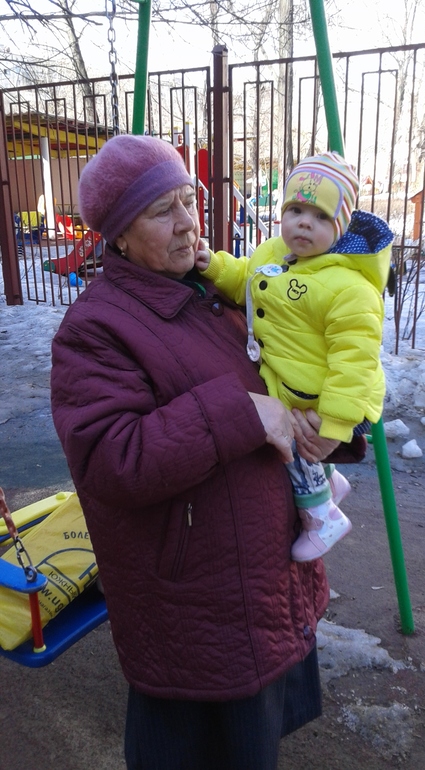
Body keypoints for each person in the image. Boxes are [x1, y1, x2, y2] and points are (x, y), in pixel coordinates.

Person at [50, 134, 332, 770]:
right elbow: (111, 460)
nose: (187, 223)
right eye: (162, 211)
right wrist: (243, 413)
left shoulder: (214, 290)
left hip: (259, 582)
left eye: (188, 199)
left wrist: (325, 418)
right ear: (120, 237)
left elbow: (284, 372)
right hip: (195, 604)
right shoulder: (96, 328)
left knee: (253, 741)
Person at [195, 151, 394, 562]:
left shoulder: (350, 288)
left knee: (293, 444)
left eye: (321, 216)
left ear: (341, 228)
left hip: (332, 398)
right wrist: (214, 266)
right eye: (296, 210)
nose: (304, 223)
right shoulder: (273, 253)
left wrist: (334, 424)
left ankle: (321, 515)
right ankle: (332, 482)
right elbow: (247, 278)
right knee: (290, 430)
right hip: (297, 382)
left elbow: (355, 361)